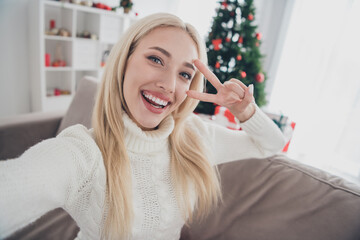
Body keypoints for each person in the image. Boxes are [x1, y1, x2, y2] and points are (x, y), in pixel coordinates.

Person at [0, 13, 285, 240]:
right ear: (124, 62)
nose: (169, 85)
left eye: (185, 74)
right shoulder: (84, 153)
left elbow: (271, 143)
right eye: (156, 59)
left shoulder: (195, 137)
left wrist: (246, 111)